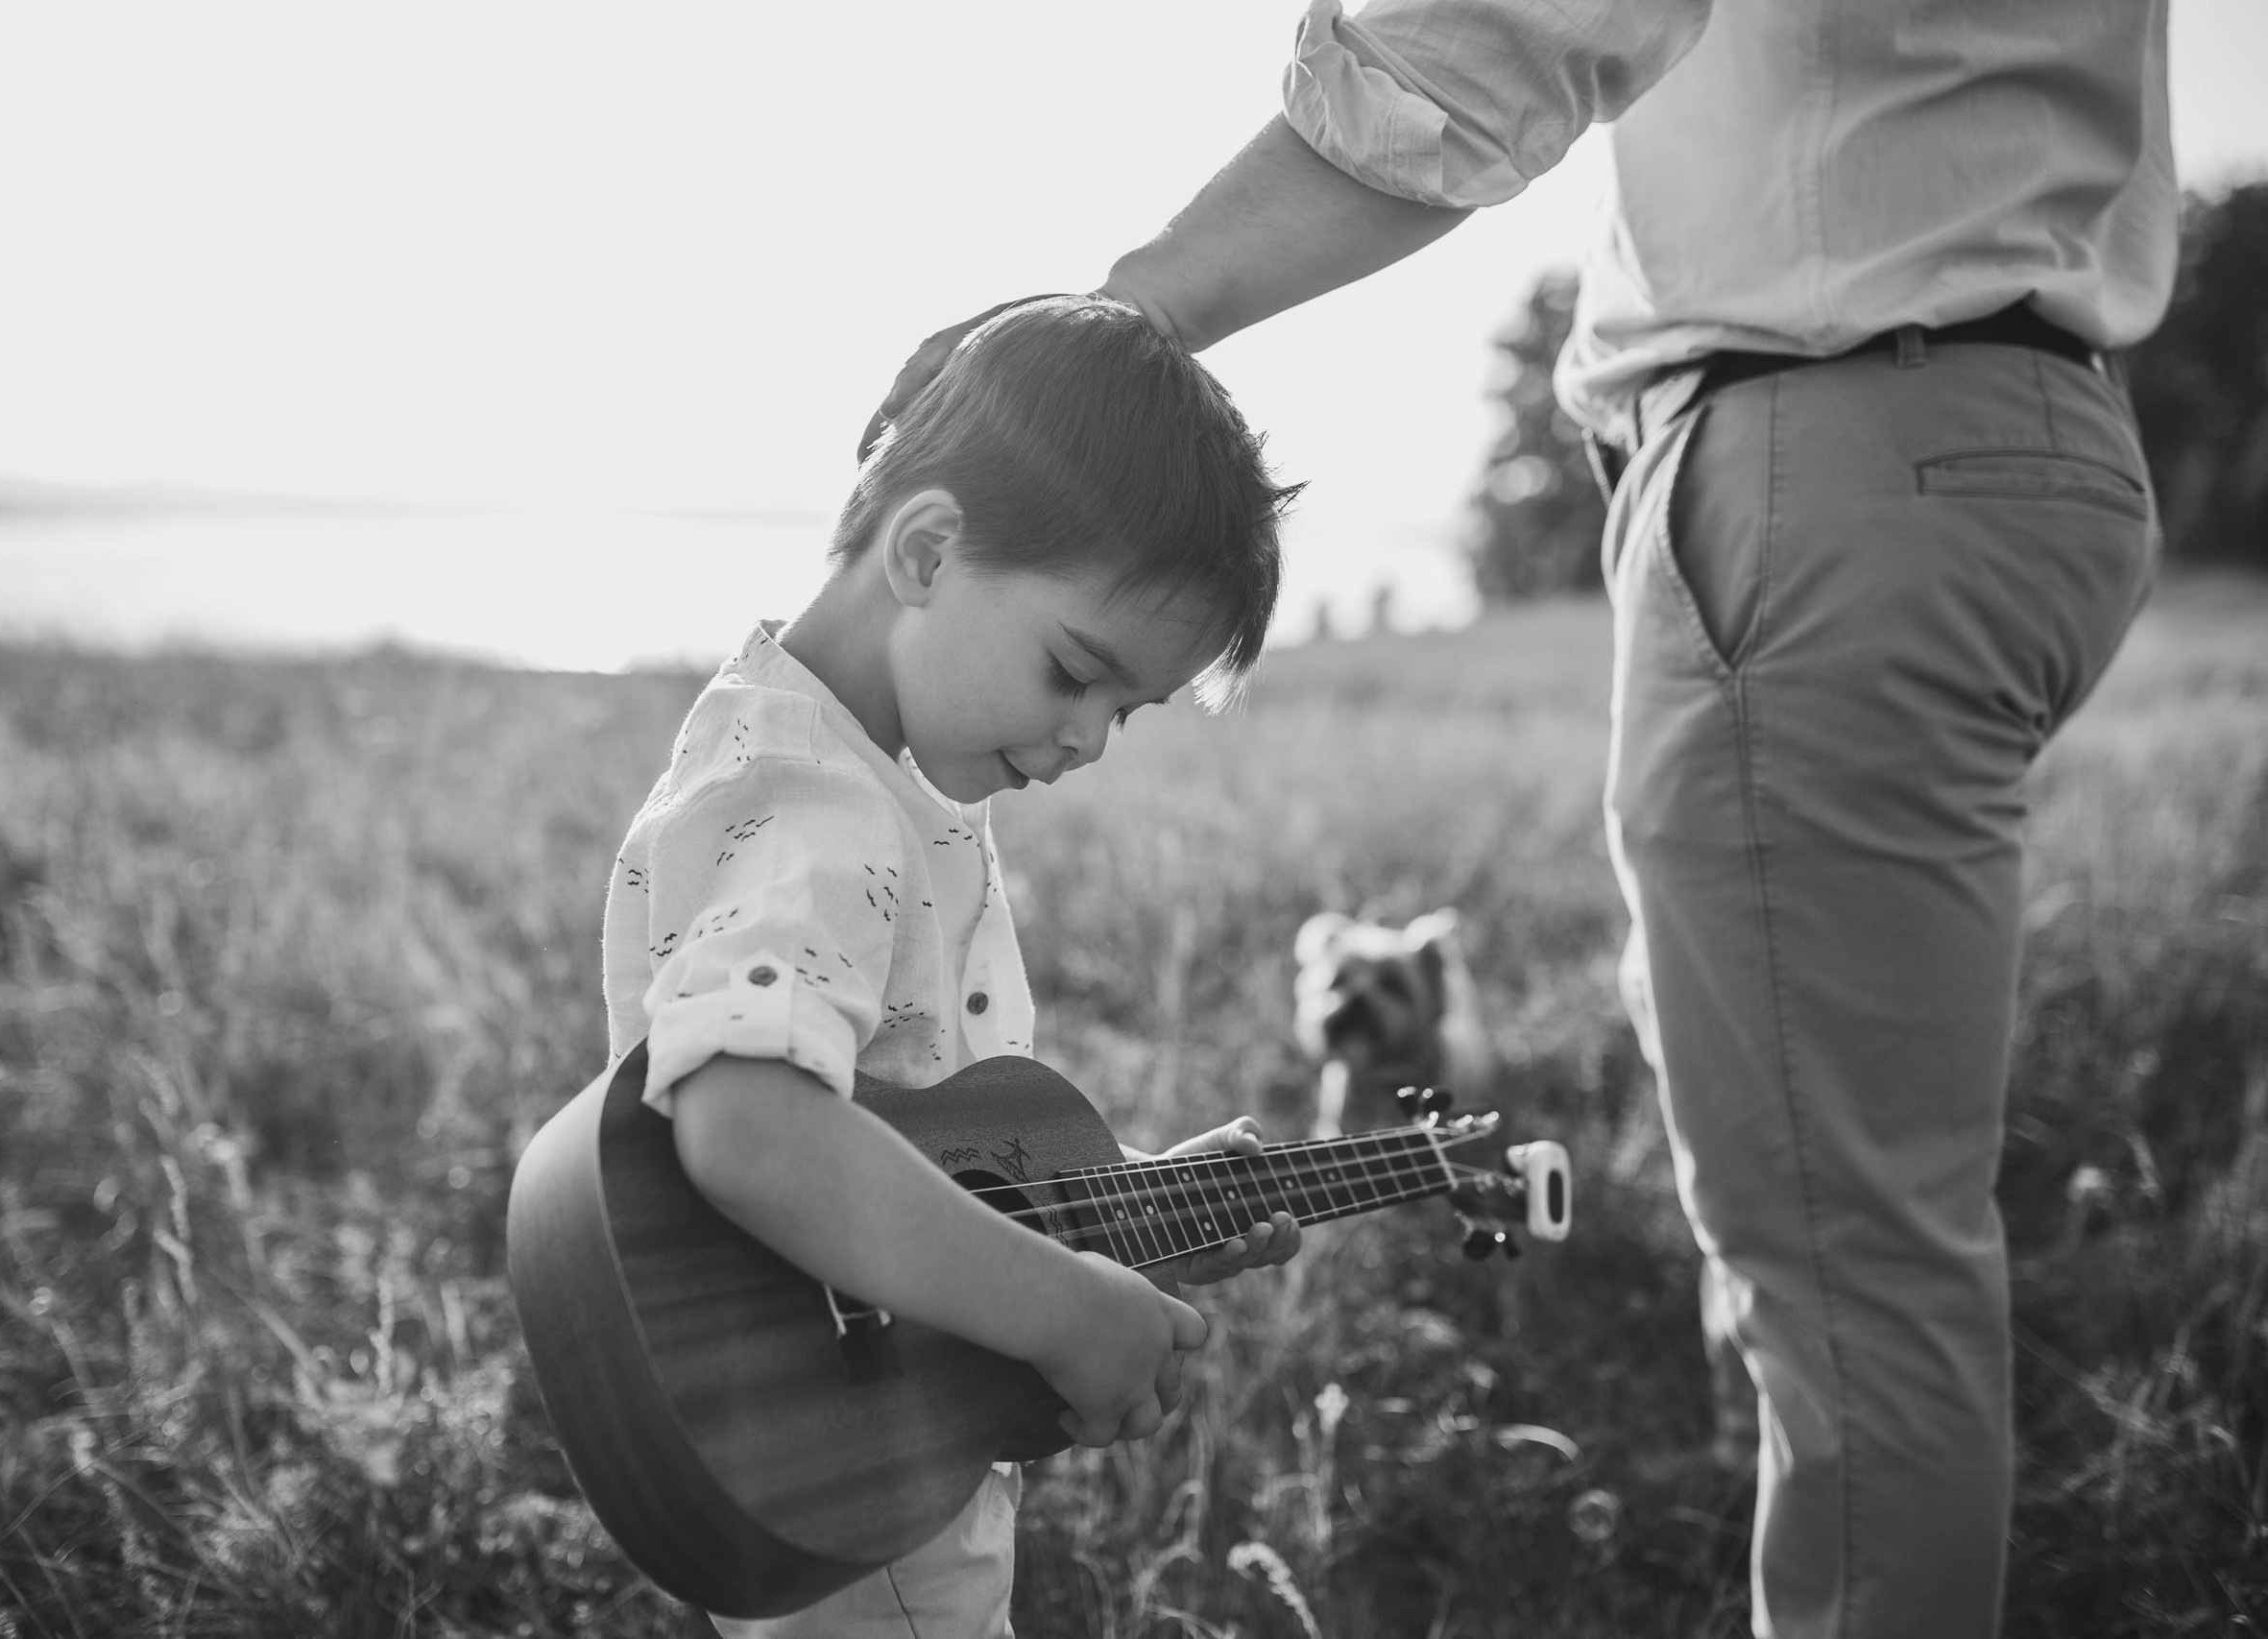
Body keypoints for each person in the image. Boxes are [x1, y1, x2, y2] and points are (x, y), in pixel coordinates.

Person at [867, 4, 2171, 1635]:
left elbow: (1482, 46)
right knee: (1814, 1179)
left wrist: (1111, 332)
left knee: (1847, 1268)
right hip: (2018, 436)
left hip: (1838, 447)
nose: (1077, 743)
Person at [604, 295, 1306, 1637]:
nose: (1090, 739)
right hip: (860, 1501)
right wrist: (1063, 1311)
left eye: (1126, 710)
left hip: (852, 1434)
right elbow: (748, 1126)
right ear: (927, 548)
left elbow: (898, 1142)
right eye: (1073, 673)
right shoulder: (821, 810)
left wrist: (1126, 1218)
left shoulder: (813, 756)